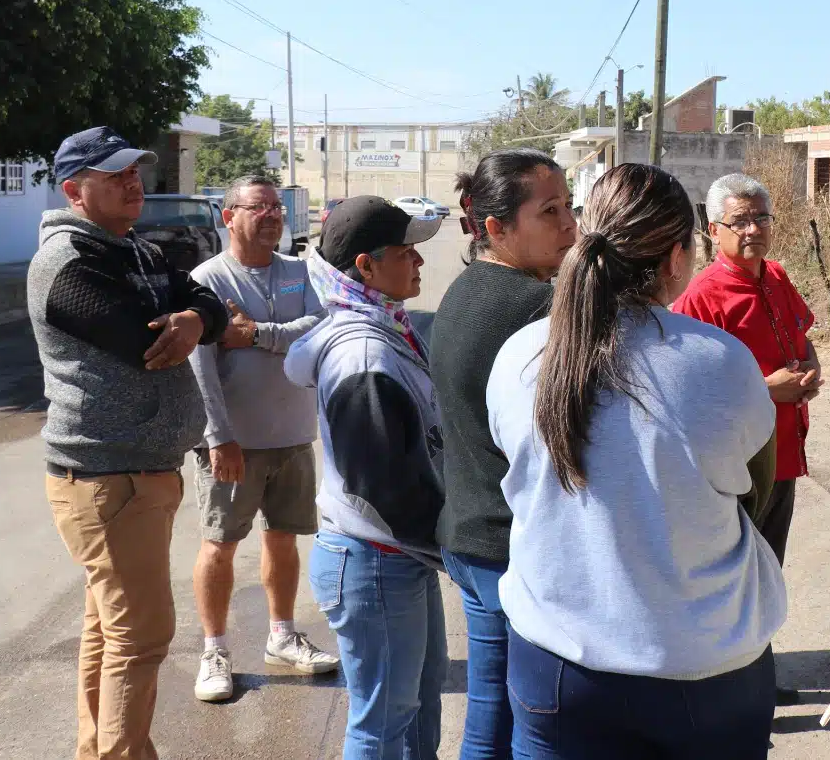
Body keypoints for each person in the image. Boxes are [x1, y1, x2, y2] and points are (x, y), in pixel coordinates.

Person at [487, 163, 786, 760]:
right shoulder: (721, 362)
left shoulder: (519, 356)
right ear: (677, 257)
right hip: (709, 667)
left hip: (558, 666)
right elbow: (756, 494)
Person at [28, 126, 230, 760]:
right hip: (107, 476)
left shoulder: (133, 250)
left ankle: (98, 750)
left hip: (137, 472)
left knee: (109, 630)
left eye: (134, 170)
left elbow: (206, 300)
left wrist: (197, 318)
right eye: (113, 175)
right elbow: (142, 340)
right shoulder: (67, 262)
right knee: (141, 637)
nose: (132, 181)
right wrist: (192, 323)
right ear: (73, 190)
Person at [283, 196, 447, 760]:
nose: (420, 264)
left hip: (398, 557)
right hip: (378, 558)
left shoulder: (386, 327)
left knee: (419, 707)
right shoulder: (363, 353)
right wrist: (450, 546)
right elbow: (380, 484)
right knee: (381, 724)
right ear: (366, 267)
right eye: (407, 254)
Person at [431, 150, 577, 760]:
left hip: (472, 534)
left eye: (569, 206)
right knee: (532, 722)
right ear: (495, 228)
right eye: (550, 211)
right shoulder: (534, 308)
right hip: (509, 545)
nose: (570, 224)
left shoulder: (467, 288)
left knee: (491, 712)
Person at [672, 172, 823, 706]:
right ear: (714, 229)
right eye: (740, 220)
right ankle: (727, 689)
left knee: (766, 573)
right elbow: (688, 390)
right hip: (738, 461)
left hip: (783, 453)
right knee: (730, 579)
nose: (753, 228)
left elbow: (802, 337)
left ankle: (754, 679)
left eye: (761, 217)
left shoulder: (776, 275)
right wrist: (767, 390)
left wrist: (810, 366)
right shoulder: (700, 296)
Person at [186, 175, 337, 703]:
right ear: (229, 216)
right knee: (220, 546)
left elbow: (323, 326)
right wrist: (217, 437)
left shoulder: (301, 271)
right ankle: (214, 650)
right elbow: (199, 365)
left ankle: (282, 636)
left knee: (283, 538)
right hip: (233, 443)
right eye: (259, 207)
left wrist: (255, 334)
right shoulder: (207, 280)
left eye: (277, 206)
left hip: (294, 434)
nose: (272, 214)